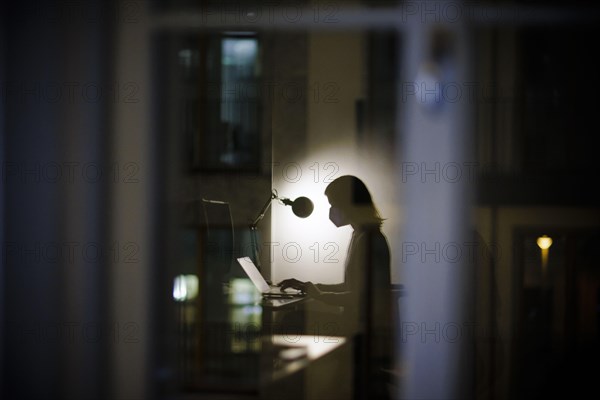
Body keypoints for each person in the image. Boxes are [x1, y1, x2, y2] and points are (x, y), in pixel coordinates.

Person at [279, 175, 393, 399]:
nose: (331, 210)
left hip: (362, 329)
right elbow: (352, 286)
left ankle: (295, 388)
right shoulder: (360, 234)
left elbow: (360, 296)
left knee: (292, 321)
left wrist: (317, 293)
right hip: (355, 322)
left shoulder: (369, 239)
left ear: (348, 203)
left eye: (333, 204)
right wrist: (310, 286)